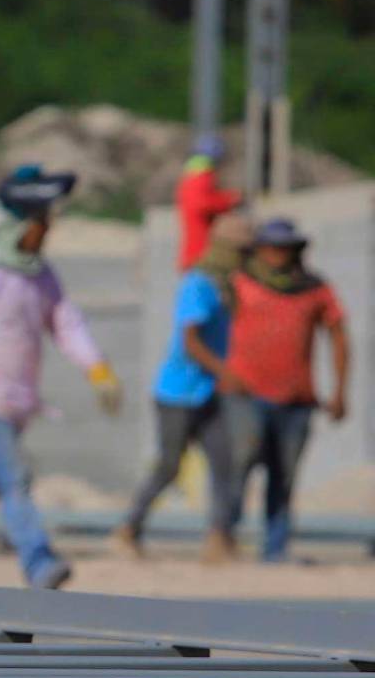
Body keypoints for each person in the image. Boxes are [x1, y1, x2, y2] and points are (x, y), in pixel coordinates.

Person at [0, 165, 122, 590]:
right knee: (16, 478)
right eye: (40, 223)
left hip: (19, 403)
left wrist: (96, 367)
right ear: (16, 225)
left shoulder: (39, 275)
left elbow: (67, 323)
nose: (46, 232)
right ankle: (38, 561)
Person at [113, 215, 252, 561]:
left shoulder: (224, 286)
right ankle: (130, 528)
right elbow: (190, 340)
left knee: (225, 463)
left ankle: (220, 539)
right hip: (178, 393)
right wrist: (225, 371)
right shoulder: (199, 284)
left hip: (207, 393)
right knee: (169, 466)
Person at [222, 217, 349, 562]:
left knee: (285, 474)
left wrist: (339, 391)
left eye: (284, 247)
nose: (277, 254)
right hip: (245, 393)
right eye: (271, 247)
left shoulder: (315, 288)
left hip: (296, 398)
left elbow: (338, 336)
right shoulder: (239, 283)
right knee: (240, 462)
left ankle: (274, 547)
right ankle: (223, 536)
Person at [177, 134, 242, 270]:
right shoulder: (201, 175)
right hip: (200, 253)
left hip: (197, 251)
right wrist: (229, 200)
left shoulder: (192, 174)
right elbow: (202, 204)